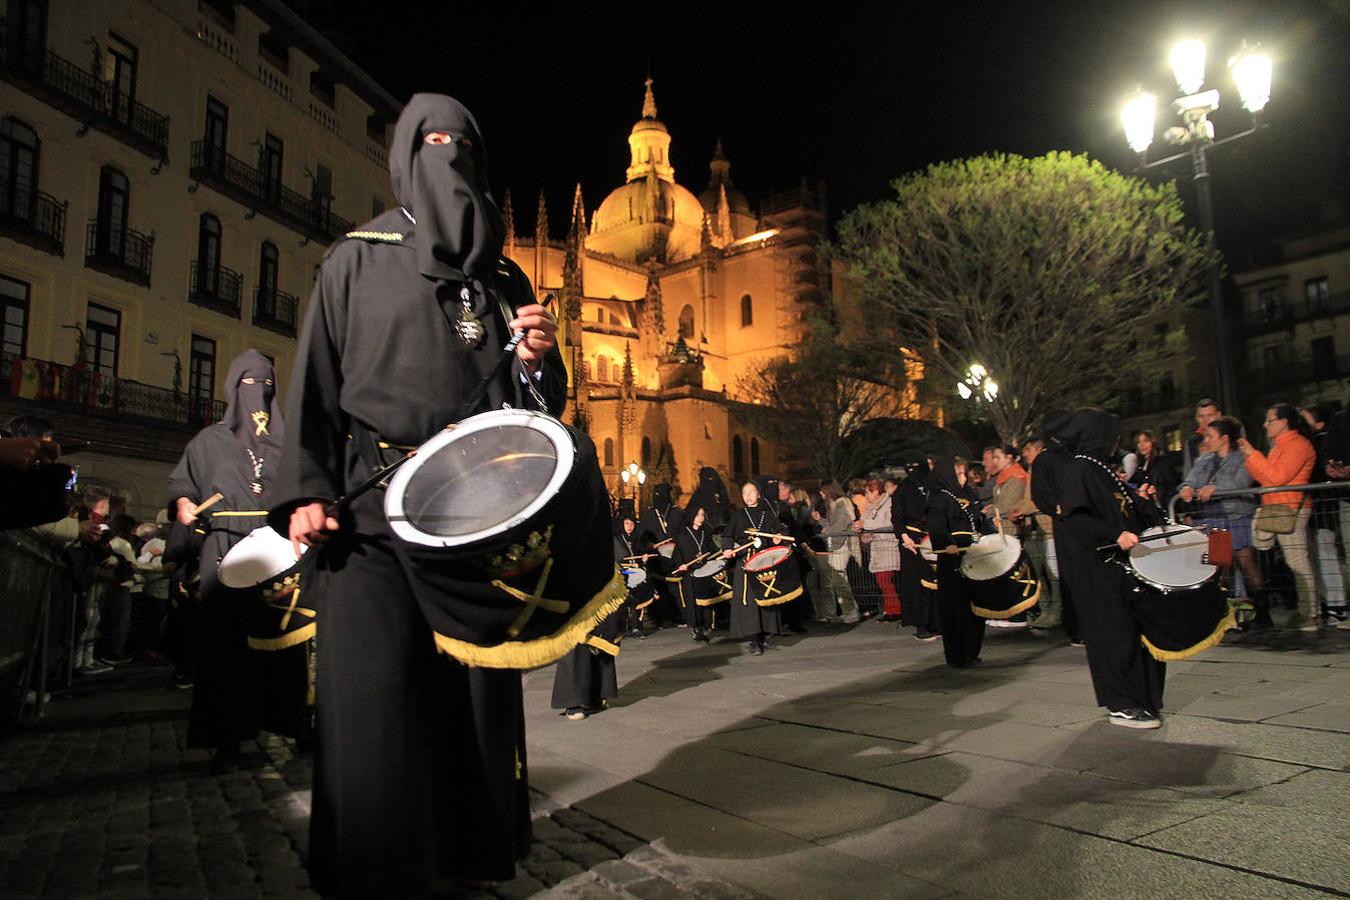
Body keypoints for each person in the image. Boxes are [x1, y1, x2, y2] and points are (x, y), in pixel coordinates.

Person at [272, 95, 619, 896]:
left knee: (472, 702)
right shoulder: (354, 258)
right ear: (402, 157)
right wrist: (307, 491)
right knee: (376, 702)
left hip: (476, 518)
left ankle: (468, 854)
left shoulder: (502, 274)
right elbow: (315, 382)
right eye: (431, 142)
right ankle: (373, 866)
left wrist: (536, 362)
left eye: (462, 143)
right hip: (367, 519)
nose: (447, 156)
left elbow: (536, 408)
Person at [168, 350, 305, 771]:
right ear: (232, 387)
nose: (257, 393)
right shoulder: (208, 441)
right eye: (248, 384)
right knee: (225, 649)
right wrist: (184, 504)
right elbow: (182, 485)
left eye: (266, 384)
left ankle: (301, 726)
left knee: (294, 642)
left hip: (283, 551)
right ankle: (227, 739)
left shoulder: (291, 441)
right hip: (224, 547)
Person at [1056, 408, 1166, 728]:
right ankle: (1121, 702)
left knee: (1130, 632)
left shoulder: (1100, 468)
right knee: (1112, 634)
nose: (1117, 440)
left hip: (1120, 565)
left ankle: (1140, 697)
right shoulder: (1079, 469)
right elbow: (1077, 518)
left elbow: (1123, 509)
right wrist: (1113, 535)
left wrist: (1142, 503)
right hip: (1099, 568)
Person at [1238, 403, 1318, 631]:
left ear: (1284, 422)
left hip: (1291, 509)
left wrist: (1252, 455)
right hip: (1276, 508)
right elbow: (1266, 477)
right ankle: (1305, 611)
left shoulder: (1298, 445)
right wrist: (1252, 457)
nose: (1265, 424)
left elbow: (1277, 477)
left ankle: (1310, 614)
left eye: (1269, 420)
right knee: (1279, 554)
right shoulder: (1279, 445)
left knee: (1297, 561)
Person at [551, 514, 632, 720]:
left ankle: (595, 696)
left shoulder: (600, 531)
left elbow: (616, 558)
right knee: (574, 649)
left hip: (599, 595)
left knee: (599, 647)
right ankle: (573, 701)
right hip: (573, 596)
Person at [1177, 416, 1260, 613]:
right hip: (1216, 517)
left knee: (1246, 561)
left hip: (1236, 515)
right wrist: (1187, 487)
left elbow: (1242, 483)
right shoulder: (1205, 459)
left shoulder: (1242, 457)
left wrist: (1215, 488)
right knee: (1222, 567)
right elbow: (1190, 479)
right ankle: (1229, 609)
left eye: (1210, 436)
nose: (1206, 440)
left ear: (1224, 438)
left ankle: (1260, 605)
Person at [927, 458, 989, 667]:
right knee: (955, 606)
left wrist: (989, 527)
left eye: (964, 474)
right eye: (959, 474)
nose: (964, 478)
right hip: (952, 557)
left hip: (972, 553)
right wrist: (947, 543)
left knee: (974, 606)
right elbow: (936, 525)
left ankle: (972, 650)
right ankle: (957, 654)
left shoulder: (970, 494)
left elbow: (976, 520)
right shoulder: (939, 497)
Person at [722, 481, 786, 654]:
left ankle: (765, 634)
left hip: (764, 561)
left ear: (759, 494)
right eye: (745, 493)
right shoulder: (738, 515)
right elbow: (727, 535)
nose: (748, 496)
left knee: (765, 596)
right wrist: (728, 548)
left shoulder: (768, 514)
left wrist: (778, 536)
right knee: (748, 600)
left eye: (751, 492)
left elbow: (780, 530)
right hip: (746, 562)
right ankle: (753, 639)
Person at [1010, 438, 1063, 633]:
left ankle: (1056, 611)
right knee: (1039, 573)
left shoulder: (1045, 469)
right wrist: (1018, 509)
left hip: (1046, 528)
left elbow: (1040, 498)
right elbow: (1028, 498)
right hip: (1034, 530)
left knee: (1052, 574)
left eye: (1028, 450)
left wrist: (1020, 510)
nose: (1025, 454)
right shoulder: (1033, 470)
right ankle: (1046, 609)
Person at [1300, 403, 1346, 625]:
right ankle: (1330, 603)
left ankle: (1337, 605)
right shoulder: (1312, 443)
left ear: (1319, 424)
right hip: (1315, 506)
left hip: (1325, 506)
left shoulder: (1319, 443)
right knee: (1317, 556)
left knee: (1326, 553)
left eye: (1305, 419)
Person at [893, 452, 940, 641]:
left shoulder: (933, 486)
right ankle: (921, 623)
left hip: (932, 538)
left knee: (935, 582)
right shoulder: (903, 489)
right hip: (911, 541)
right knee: (916, 584)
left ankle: (936, 621)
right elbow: (897, 516)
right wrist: (905, 537)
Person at [672, 506, 726, 641]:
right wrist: (681, 564)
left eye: (702, 515)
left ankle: (707, 624)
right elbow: (677, 554)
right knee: (693, 602)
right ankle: (696, 628)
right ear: (691, 516)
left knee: (706, 598)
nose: (700, 518)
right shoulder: (683, 535)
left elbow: (712, 551)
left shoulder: (704, 533)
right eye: (697, 515)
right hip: (690, 573)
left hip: (704, 572)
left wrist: (720, 554)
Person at [814, 482, 862, 623]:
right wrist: (821, 521)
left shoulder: (841, 504)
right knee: (840, 580)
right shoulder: (834, 505)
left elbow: (839, 527)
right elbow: (832, 526)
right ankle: (850, 610)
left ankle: (850, 611)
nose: (821, 495)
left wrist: (825, 530)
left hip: (842, 545)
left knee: (838, 580)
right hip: (836, 544)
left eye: (823, 492)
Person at [857, 479, 902, 621]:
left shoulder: (888, 504)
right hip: (878, 547)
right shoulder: (873, 506)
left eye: (867, 492)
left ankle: (895, 610)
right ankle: (891, 609)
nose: (866, 496)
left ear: (875, 492)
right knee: (882, 581)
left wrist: (866, 524)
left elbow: (887, 523)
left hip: (888, 546)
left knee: (885, 580)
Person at [1132, 430, 1178, 510]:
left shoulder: (1162, 461)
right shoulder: (1140, 465)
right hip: (1148, 506)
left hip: (1164, 505)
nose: (1142, 445)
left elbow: (1172, 485)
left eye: (1146, 441)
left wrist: (1157, 493)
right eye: (1139, 442)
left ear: (1153, 443)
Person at [1183, 398, 1222, 479]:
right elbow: (1188, 470)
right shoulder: (1191, 442)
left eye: (1210, 415)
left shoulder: (1232, 433)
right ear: (1196, 418)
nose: (1206, 420)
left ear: (1218, 415)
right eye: (1201, 416)